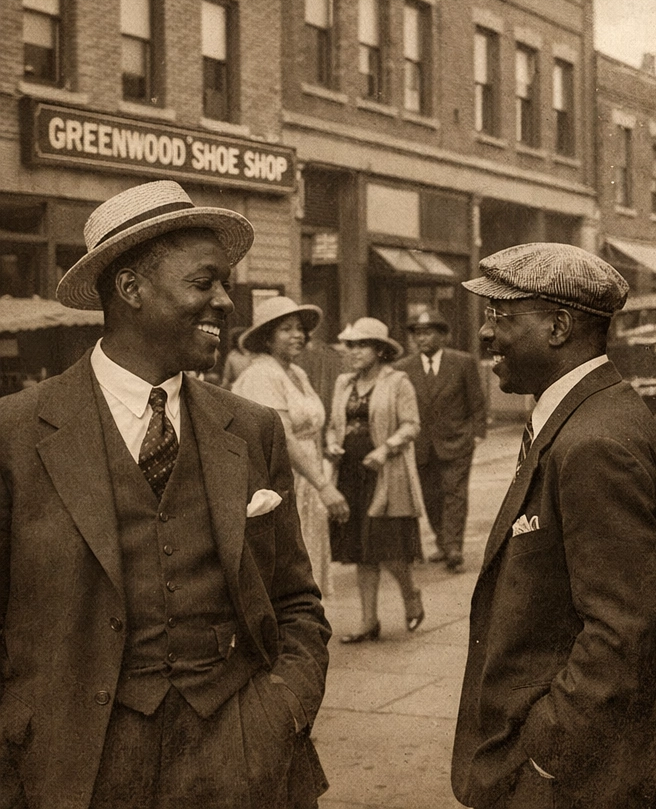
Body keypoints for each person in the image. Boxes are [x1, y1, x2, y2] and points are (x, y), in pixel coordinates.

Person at [0, 179, 330, 808]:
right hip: (79, 768)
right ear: (131, 289)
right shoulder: (15, 434)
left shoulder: (253, 428)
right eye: (205, 283)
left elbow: (296, 601)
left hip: (241, 757)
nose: (227, 303)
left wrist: (281, 710)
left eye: (225, 285)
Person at [452, 243, 656, 809]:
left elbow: (623, 629)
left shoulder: (595, 441)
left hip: (575, 780)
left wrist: (544, 752)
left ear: (559, 326)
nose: (486, 334)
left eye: (501, 317)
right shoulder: (579, 416)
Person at [233, 295, 351, 595]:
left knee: (309, 558)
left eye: (300, 328)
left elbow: (311, 425)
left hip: (308, 476)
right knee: (288, 565)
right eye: (287, 329)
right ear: (267, 337)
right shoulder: (262, 374)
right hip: (283, 478)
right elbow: (282, 437)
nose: (298, 335)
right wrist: (323, 484)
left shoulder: (296, 373)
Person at [325, 317, 427, 641]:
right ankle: (369, 620)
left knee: (389, 549)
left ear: (380, 350)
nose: (352, 351)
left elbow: (411, 425)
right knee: (361, 550)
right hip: (351, 475)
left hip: (386, 475)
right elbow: (332, 423)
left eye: (361, 345)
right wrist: (330, 443)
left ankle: (410, 594)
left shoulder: (398, 382)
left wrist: (385, 449)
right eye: (350, 345)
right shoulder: (343, 383)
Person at [400, 308, 487, 573]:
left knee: (454, 493)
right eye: (417, 334)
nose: (421, 338)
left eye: (427, 333)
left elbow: (477, 401)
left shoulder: (463, 362)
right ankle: (442, 540)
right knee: (430, 495)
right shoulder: (403, 368)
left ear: (443, 336)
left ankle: (453, 547)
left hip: (457, 440)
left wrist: (477, 433)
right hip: (421, 444)